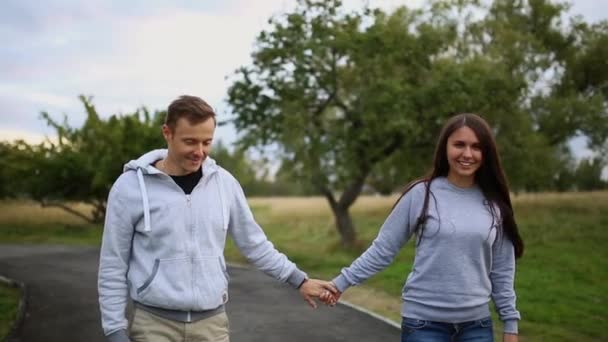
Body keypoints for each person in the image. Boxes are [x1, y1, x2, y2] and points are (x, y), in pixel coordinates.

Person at [98, 95, 337, 342]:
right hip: (153, 325)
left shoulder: (225, 184)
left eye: (207, 142)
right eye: (190, 142)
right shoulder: (129, 188)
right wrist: (115, 330)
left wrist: (300, 280)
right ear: (167, 133)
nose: (199, 152)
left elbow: (255, 245)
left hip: (212, 325)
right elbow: (113, 263)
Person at [321, 113, 524, 342]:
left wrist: (510, 325)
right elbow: (383, 250)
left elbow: (502, 270)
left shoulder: (495, 203)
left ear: (486, 152)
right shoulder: (421, 194)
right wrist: (339, 284)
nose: (467, 154)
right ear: (444, 147)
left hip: (476, 327)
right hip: (424, 325)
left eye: (476, 147)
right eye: (459, 144)